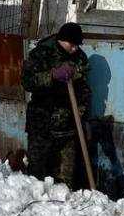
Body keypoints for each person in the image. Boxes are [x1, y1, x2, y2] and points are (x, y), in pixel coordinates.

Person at [21, 22, 92, 188]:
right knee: (37, 174)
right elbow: (27, 81)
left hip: (67, 124)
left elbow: (83, 89)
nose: (75, 48)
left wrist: (83, 118)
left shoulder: (79, 57)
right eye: (72, 44)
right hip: (42, 123)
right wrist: (52, 75)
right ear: (61, 39)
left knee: (66, 179)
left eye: (77, 45)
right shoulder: (41, 53)